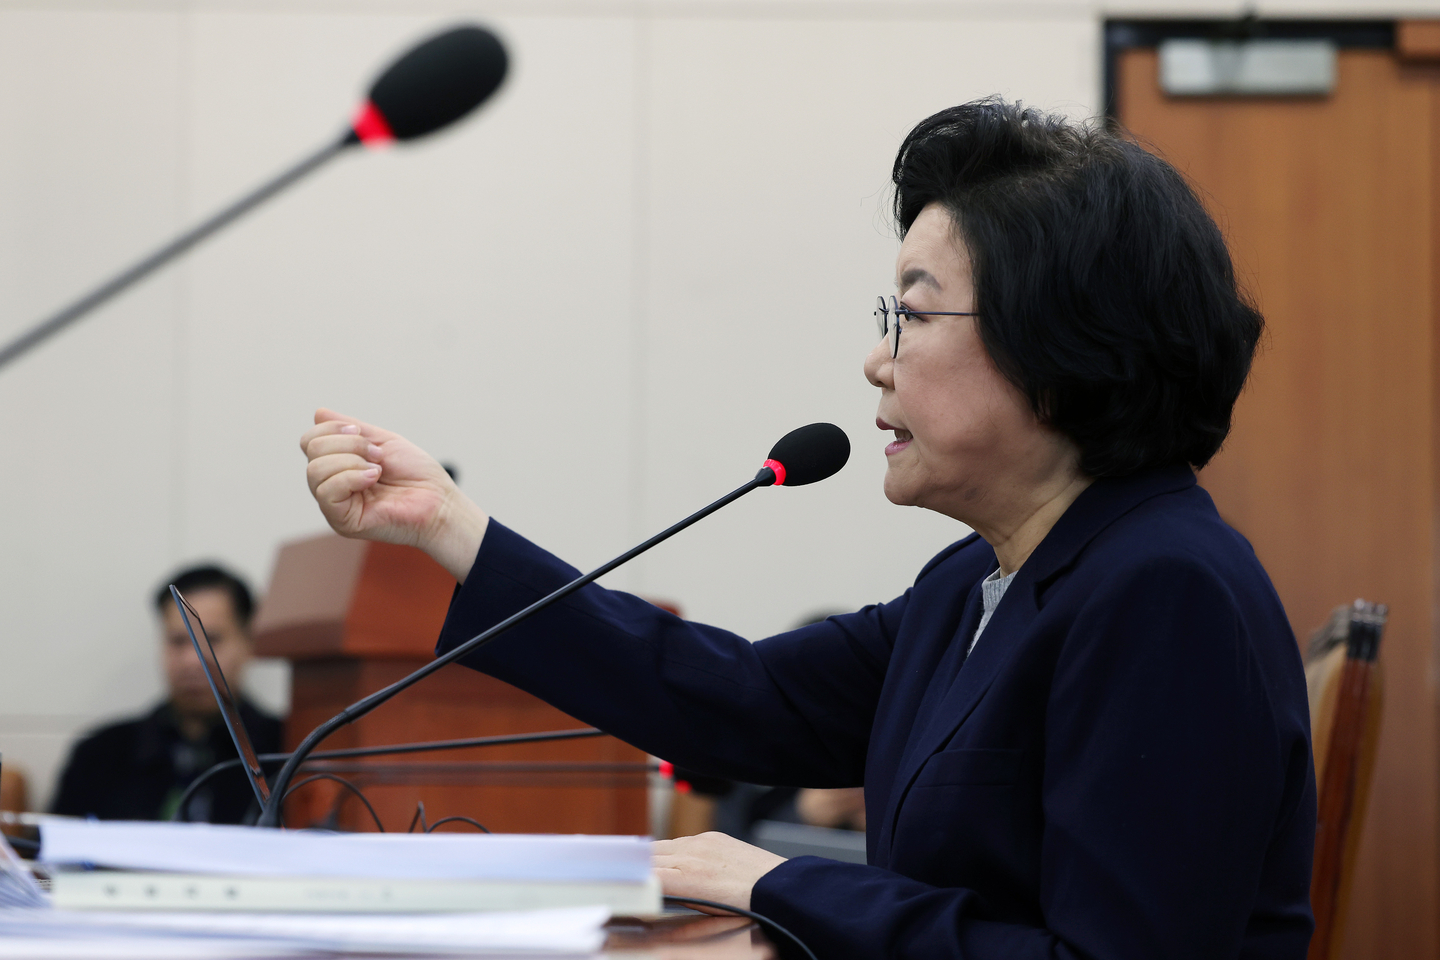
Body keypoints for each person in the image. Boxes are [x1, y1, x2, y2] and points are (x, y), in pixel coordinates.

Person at [298, 99, 1313, 959]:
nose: (878, 362)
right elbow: (741, 698)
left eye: (913, 316)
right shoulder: (979, 583)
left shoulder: (1165, 589)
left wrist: (771, 885)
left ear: (1063, 345)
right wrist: (447, 524)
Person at [51, 566, 281, 823]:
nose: (192, 661)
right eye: (178, 641)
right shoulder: (100, 755)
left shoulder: (287, 752)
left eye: (210, 640)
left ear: (248, 643)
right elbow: (47, 851)